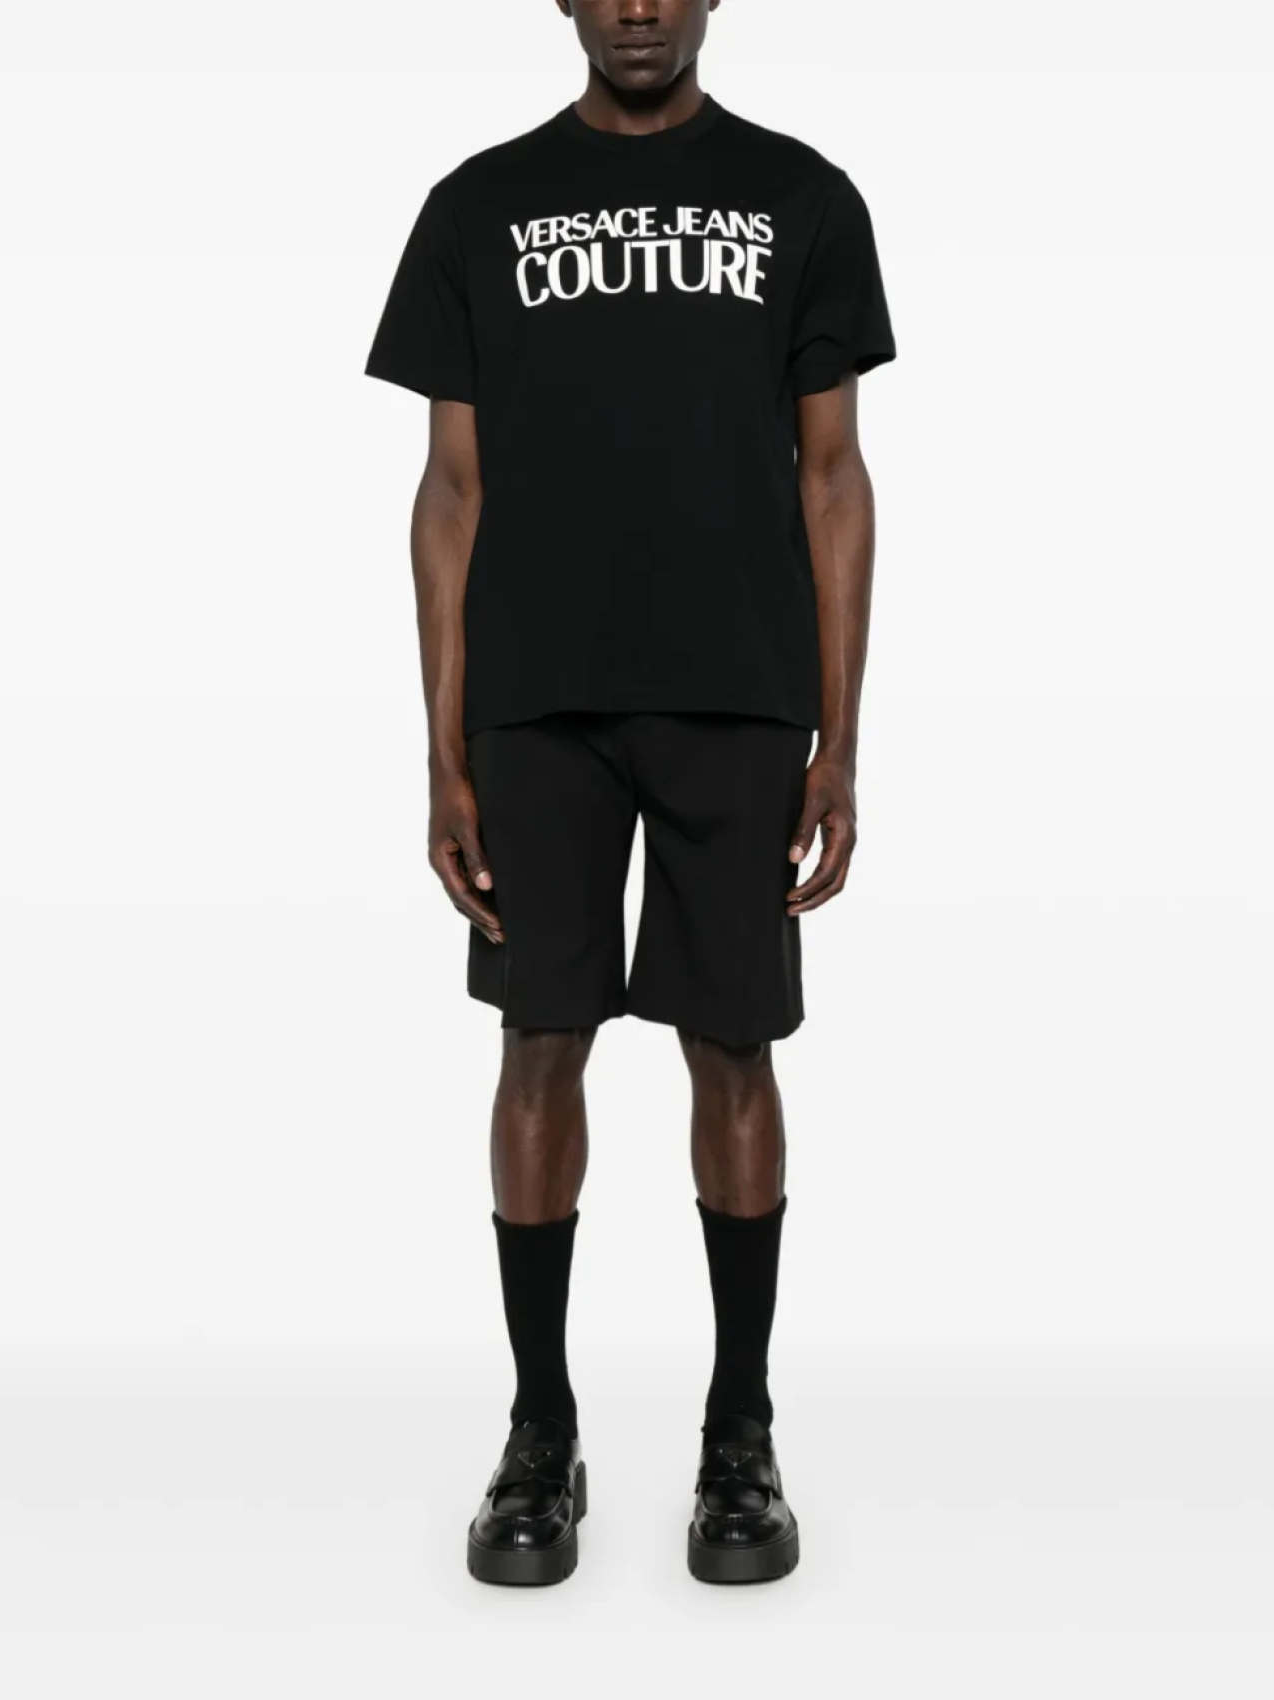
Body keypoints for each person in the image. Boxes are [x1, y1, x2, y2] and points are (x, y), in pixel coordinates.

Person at [365, 0, 894, 1587]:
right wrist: (444, 743)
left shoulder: (803, 198)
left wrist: (841, 737)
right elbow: (451, 489)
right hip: (537, 701)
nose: (641, 7)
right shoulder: (478, 207)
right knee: (540, 1039)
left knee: (734, 1044)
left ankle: (742, 1433)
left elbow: (833, 475)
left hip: (738, 690)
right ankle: (542, 1429)